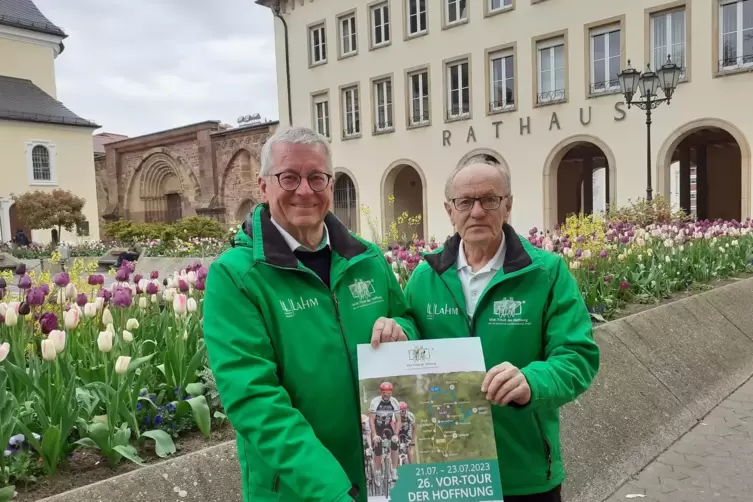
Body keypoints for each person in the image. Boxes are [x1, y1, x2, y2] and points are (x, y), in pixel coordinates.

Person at [202, 126, 416, 502]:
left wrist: (401, 329)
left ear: (331, 184)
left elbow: (409, 321)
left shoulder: (365, 259)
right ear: (263, 186)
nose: (305, 190)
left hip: (383, 479)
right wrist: (332, 490)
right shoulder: (237, 276)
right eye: (289, 177)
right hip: (300, 490)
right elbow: (255, 401)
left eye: (317, 177)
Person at [403, 156, 600, 502]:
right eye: (465, 201)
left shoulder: (546, 273)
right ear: (450, 210)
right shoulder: (424, 276)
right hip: (445, 473)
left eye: (489, 200)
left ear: (507, 206)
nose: (476, 211)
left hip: (522, 474)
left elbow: (578, 356)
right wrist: (398, 328)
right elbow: (411, 341)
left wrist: (531, 381)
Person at [368, 381, 402, 483]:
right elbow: (371, 419)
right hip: (377, 426)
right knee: (378, 446)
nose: (386, 395)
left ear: (391, 392)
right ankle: (377, 472)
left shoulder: (394, 402)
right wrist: (374, 435)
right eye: (384, 393)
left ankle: (394, 470)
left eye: (388, 393)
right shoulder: (375, 402)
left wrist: (396, 434)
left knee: (394, 443)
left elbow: (398, 420)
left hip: (387, 425)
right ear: (381, 392)